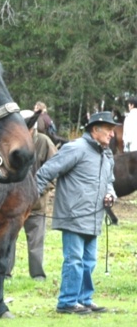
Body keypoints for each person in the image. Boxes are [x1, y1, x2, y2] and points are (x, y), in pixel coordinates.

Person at [35, 111, 117, 314]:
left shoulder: (106, 155)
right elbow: (46, 172)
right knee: (74, 259)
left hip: (94, 217)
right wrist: (29, 199)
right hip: (73, 216)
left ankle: (84, 299)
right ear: (95, 129)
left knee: (90, 261)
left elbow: (109, 183)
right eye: (109, 130)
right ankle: (67, 302)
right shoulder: (75, 148)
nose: (112, 134)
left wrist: (110, 195)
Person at [9, 110, 57, 281]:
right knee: (9, 240)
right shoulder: (12, 142)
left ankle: (37, 275)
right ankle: (5, 273)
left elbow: (54, 169)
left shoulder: (44, 142)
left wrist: (39, 190)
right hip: (13, 204)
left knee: (36, 242)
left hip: (37, 204)